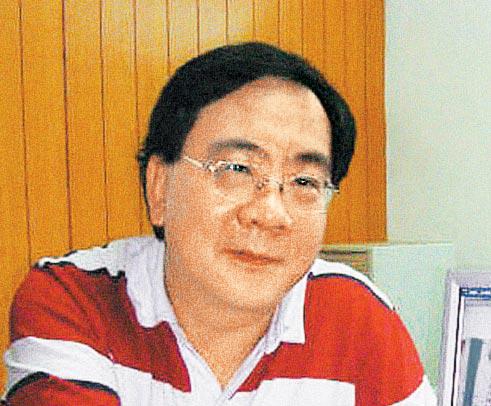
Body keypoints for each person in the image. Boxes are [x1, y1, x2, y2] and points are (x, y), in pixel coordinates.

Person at [3, 42, 436, 405]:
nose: (271, 213)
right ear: (159, 187)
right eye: (237, 169)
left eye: (304, 181)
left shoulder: (358, 318)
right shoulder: (73, 300)